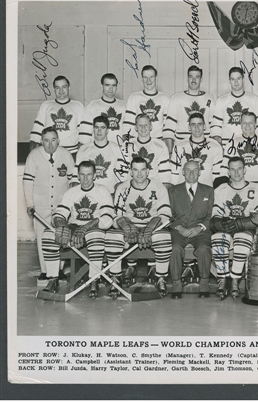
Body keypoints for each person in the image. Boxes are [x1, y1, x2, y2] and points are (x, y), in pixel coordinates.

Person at [41, 160, 113, 298]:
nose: (85, 179)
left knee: (96, 235)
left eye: (89, 174)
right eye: (82, 175)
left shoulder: (102, 191)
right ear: (78, 176)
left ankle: (94, 279)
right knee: (48, 234)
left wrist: (86, 228)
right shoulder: (72, 192)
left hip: (94, 227)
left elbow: (107, 218)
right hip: (74, 226)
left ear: (95, 175)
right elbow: (59, 213)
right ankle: (52, 279)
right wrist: (62, 225)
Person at [106, 157, 172, 297]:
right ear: (130, 172)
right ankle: (116, 277)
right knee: (111, 237)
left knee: (164, 237)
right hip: (130, 227)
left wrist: (150, 228)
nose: (139, 174)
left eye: (143, 170)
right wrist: (126, 225)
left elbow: (166, 214)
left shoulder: (158, 186)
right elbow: (115, 216)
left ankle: (160, 277)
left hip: (152, 226)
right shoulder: (122, 187)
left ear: (148, 171)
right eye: (135, 170)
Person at [23, 127, 74, 283]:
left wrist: (71, 205)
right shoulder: (33, 156)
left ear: (58, 140)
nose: (50, 144)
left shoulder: (66, 155)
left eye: (53, 140)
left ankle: (59, 270)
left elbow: (72, 182)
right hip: (40, 206)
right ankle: (45, 271)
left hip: (61, 207)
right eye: (46, 140)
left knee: (61, 236)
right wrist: (30, 204)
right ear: (41, 141)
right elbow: (27, 182)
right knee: (42, 237)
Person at [211, 156, 258, 299]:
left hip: (247, 228)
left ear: (245, 170)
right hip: (228, 228)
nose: (236, 173)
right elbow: (215, 216)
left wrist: (241, 223)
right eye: (233, 170)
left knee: (242, 237)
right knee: (217, 237)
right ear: (228, 172)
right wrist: (221, 224)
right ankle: (223, 279)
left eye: (239, 169)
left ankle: (235, 279)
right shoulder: (221, 189)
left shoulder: (256, 188)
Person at [168, 160, 214, 298]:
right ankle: (176, 285)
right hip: (179, 230)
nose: (192, 173)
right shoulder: (173, 191)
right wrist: (179, 227)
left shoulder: (209, 191)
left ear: (200, 172)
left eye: (195, 170)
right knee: (175, 248)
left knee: (204, 249)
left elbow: (211, 215)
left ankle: (204, 284)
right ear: (183, 172)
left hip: (201, 232)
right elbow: (167, 214)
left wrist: (200, 228)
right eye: (188, 170)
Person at [210, 67, 258, 148]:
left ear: (243, 79)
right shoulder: (221, 100)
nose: (236, 82)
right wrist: (218, 144)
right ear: (229, 81)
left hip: (248, 145)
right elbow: (215, 126)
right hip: (228, 145)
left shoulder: (254, 99)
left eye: (238, 78)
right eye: (233, 79)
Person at [30, 75, 85, 155]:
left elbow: (83, 132)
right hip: (50, 153)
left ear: (69, 88)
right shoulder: (46, 105)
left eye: (64, 87)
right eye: (57, 88)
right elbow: (36, 132)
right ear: (54, 90)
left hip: (72, 153)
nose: (61, 91)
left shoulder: (78, 106)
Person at [72, 116, 125, 193]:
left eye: (103, 128)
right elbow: (75, 177)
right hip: (89, 193)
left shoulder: (116, 149)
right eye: (96, 127)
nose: (99, 131)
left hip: (110, 194)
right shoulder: (84, 149)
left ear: (107, 130)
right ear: (93, 129)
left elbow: (121, 177)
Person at [164, 65, 215, 145]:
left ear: (201, 79)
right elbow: (169, 127)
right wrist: (170, 151)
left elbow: (214, 126)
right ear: (187, 79)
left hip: (204, 144)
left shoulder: (209, 99)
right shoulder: (176, 98)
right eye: (191, 77)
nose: (193, 80)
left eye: (197, 77)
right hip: (182, 144)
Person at [123, 65, 170, 149]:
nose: (148, 81)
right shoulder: (134, 97)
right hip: (138, 143)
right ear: (142, 79)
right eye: (145, 77)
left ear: (156, 78)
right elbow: (128, 125)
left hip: (157, 143)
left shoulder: (165, 98)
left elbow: (168, 126)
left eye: (151, 77)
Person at [223, 112, 258, 185]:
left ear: (255, 124)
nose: (247, 126)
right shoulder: (233, 142)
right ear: (241, 125)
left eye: (250, 123)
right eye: (244, 123)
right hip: (239, 186)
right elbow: (225, 166)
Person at [170, 112, 223, 186]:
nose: (197, 127)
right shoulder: (179, 146)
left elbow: (217, 175)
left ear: (204, 126)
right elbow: (174, 174)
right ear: (189, 127)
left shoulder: (215, 147)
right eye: (193, 125)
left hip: (206, 191)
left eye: (200, 124)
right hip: (184, 191)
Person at [121, 114, 171, 187]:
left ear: (151, 126)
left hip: (153, 186)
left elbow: (165, 174)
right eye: (140, 125)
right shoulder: (127, 145)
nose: (143, 128)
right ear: (136, 127)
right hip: (132, 187)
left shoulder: (160, 145)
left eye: (146, 125)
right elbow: (123, 171)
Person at [79, 73, 126, 146]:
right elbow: (85, 133)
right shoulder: (93, 106)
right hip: (98, 149)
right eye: (107, 85)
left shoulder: (124, 106)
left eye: (113, 85)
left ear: (116, 87)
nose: (111, 89)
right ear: (102, 86)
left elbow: (128, 131)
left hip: (118, 150)